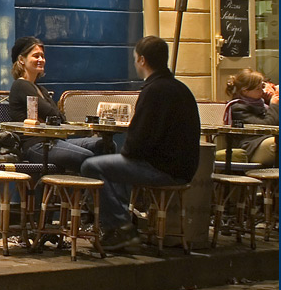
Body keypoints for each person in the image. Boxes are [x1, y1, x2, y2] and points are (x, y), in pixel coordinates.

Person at [80, 36, 200, 250]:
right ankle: (121, 224)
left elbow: (138, 143)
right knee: (115, 167)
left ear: (142, 60)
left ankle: (121, 228)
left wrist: (126, 150)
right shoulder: (181, 89)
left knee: (91, 165)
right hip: (184, 167)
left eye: (136, 58)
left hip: (163, 169)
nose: (135, 62)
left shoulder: (153, 91)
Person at [8, 36, 107, 172]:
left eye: (42, 56)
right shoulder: (20, 85)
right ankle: (92, 193)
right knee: (88, 158)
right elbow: (52, 114)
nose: (41, 60)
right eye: (36, 56)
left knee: (105, 144)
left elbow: (59, 118)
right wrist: (52, 116)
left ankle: (96, 192)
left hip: (54, 141)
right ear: (21, 60)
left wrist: (52, 116)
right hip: (35, 145)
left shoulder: (40, 89)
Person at [223, 69, 279, 165]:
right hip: (251, 144)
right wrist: (274, 105)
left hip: (265, 139)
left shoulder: (261, 103)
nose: (262, 91)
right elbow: (266, 126)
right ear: (245, 91)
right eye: (258, 89)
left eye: (262, 87)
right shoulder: (238, 108)